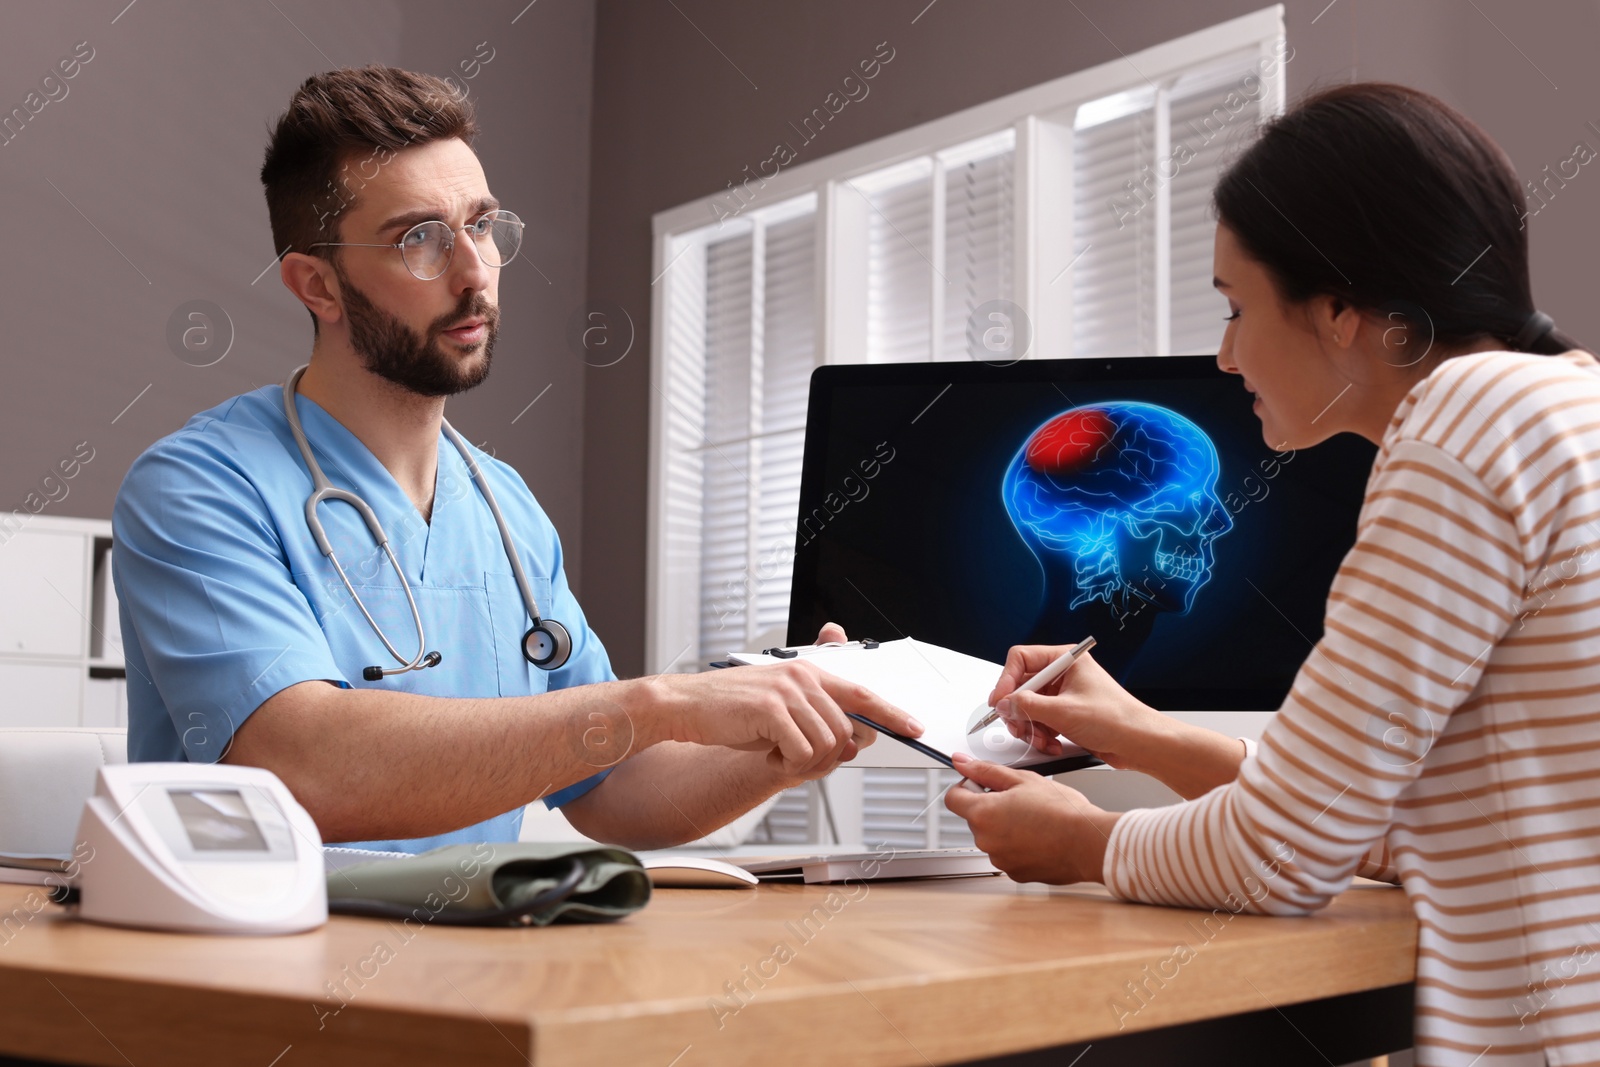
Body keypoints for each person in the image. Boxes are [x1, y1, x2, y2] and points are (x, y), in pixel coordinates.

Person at [945, 83, 1599, 1066]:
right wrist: (1143, 733)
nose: (1223, 353)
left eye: (1235, 306)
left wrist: (1078, 844)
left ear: (1337, 307)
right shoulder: (1560, 404)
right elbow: (1370, 824)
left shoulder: (1466, 423)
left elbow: (1282, 854)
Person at [112, 65, 920, 855]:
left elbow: (610, 785)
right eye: (419, 239)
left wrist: (787, 738)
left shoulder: (502, 507)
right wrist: (666, 699)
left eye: (482, 225)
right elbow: (300, 764)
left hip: (474, 970)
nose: (475, 274)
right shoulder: (195, 488)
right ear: (317, 285)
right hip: (252, 971)